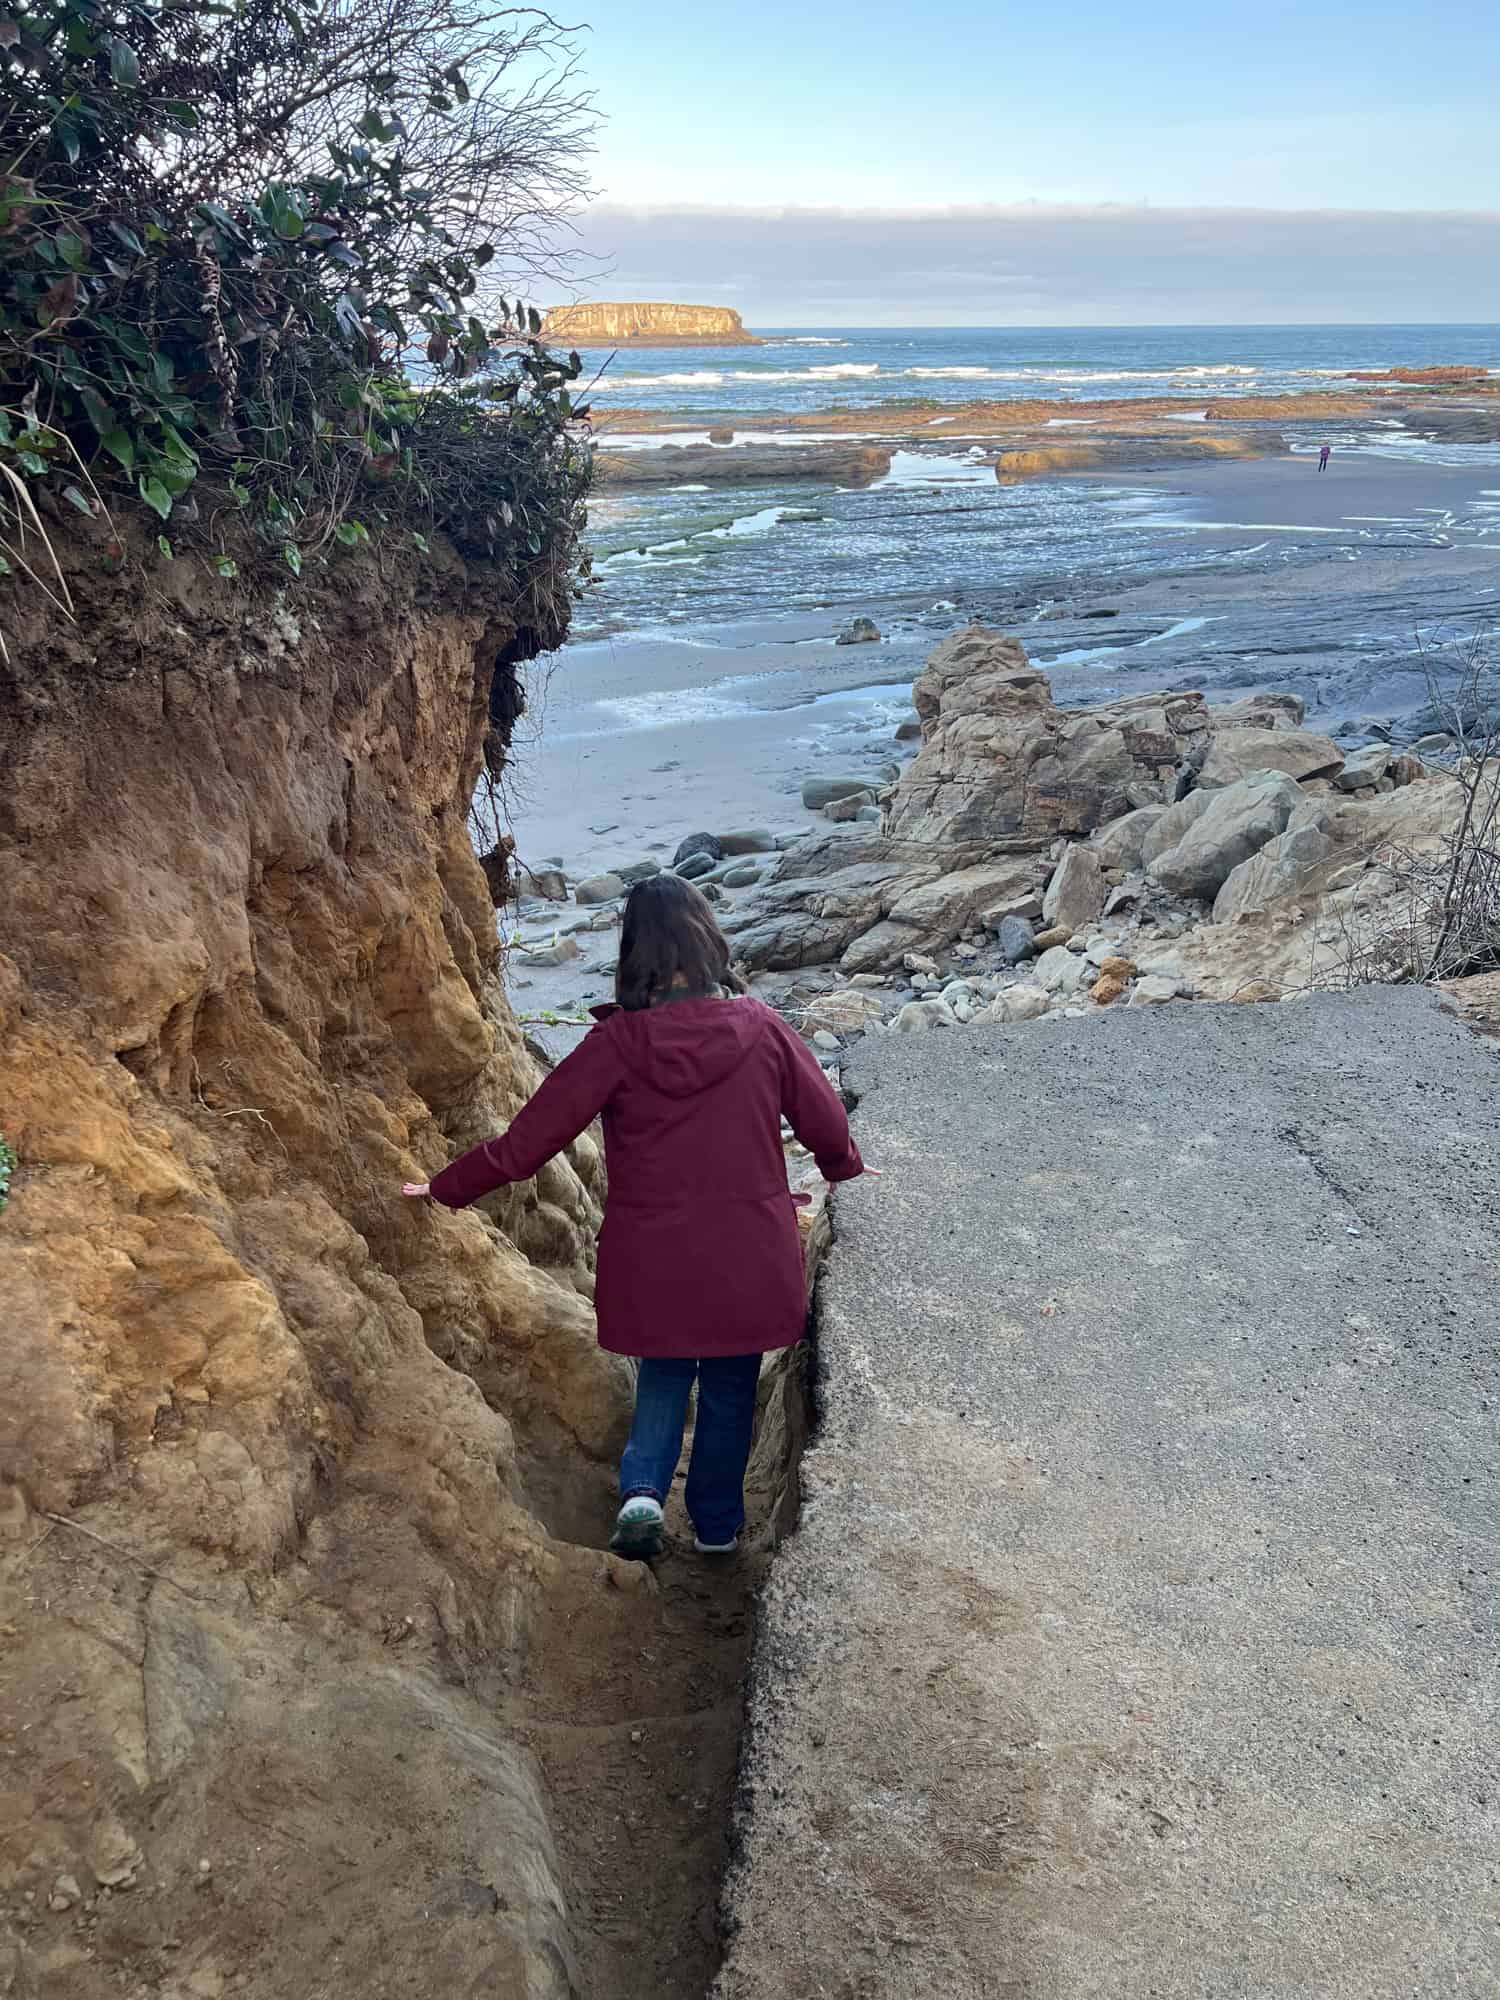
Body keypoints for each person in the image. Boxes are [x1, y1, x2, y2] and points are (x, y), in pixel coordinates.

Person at [402, 874, 873, 1560]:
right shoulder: (763, 1028)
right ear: (709, 942)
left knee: (664, 1373)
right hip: (749, 1250)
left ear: (635, 954)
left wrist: (446, 1187)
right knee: (731, 1388)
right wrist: (846, 1167)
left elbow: (529, 1143)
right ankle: (716, 1528)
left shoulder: (617, 1044)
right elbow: (824, 1121)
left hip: (655, 1256)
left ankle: (644, 1494)